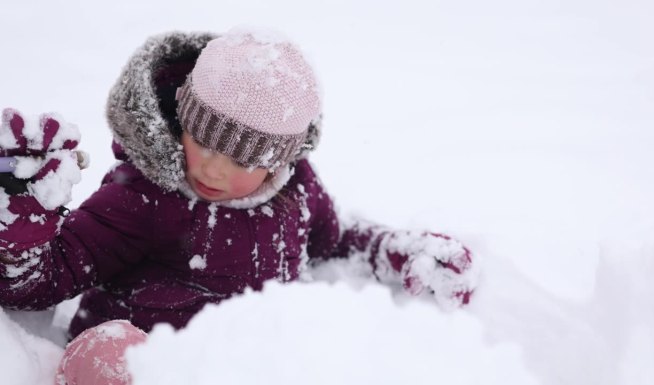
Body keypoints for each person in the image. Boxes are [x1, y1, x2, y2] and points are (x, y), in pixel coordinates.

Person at [0, 28, 478, 385]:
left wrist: (393, 250)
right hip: (152, 365)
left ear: (279, 160)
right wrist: (21, 223)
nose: (213, 171)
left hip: (250, 366)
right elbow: (43, 282)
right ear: (181, 124)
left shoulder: (297, 190)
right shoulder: (141, 196)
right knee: (108, 355)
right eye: (201, 143)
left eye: (241, 159)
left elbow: (335, 240)